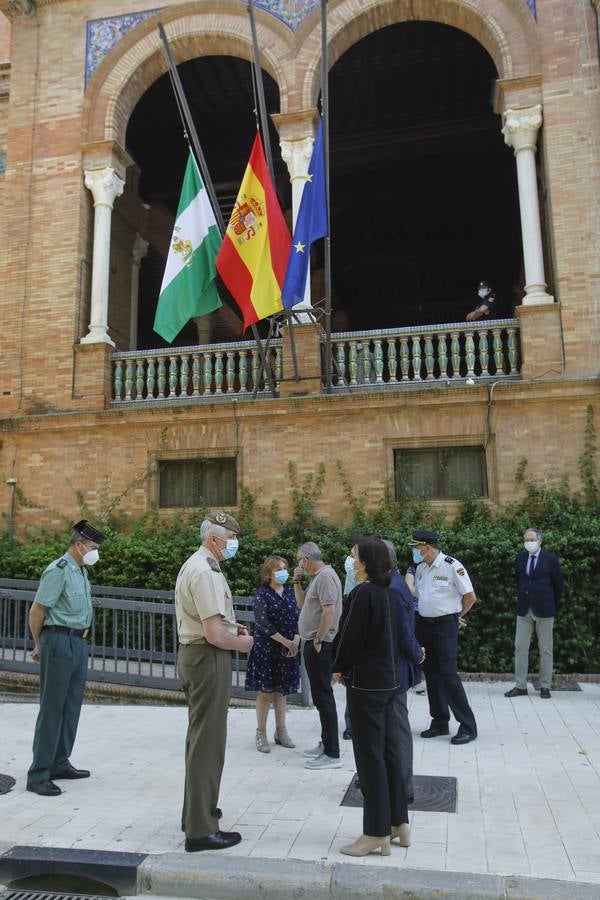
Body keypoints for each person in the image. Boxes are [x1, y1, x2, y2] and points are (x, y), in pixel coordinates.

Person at [333, 537, 424, 857]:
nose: (351, 561)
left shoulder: (364, 593)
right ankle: (399, 823)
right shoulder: (394, 589)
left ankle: (374, 833)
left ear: (367, 562)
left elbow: (349, 639)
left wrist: (338, 666)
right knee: (390, 755)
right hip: (390, 683)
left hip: (367, 686)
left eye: (355, 556)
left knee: (370, 759)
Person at [175, 512, 253, 853]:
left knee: (199, 739)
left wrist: (231, 630)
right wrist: (244, 643)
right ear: (213, 539)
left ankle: (196, 813)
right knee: (208, 743)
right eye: (230, 537)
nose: (234, 543)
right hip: (208, 658)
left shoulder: (198, 564)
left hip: (198, 655)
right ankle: (201, 830)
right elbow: (212, 632)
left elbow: (214, 622)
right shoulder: (204, 571)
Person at [26, 519, 104, 797]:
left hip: (77, 642)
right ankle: (39, 773)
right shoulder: (58, 570)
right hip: (57, 641)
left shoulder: (80, 571)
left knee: (70, 706)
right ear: (79, 545)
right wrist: (39, 644)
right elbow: (37, 610)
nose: (96, 552)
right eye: (93, 547)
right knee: (52, 707)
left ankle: (60, 762)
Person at [410, 529, 478, 745]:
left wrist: (456, 616)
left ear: (427, 547)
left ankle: (468, 726)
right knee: (431, 673)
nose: (414, 551)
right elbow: (423, 596)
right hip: (424, 624)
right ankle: (439, 721)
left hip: (444, 625)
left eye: (416, 547)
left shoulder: (451, 565)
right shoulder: (421, 568)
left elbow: (470, 597)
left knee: (448, 674)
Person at [293, 541, 343, 770]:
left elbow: (329, 609)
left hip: (319, 645)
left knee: (324, 697)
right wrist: (296, 582)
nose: (298, 564)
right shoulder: (318, 577)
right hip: (314, 643)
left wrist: (319, 639)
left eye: (298, 560)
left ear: (305, 559)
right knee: (321, 698)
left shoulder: (325, 576)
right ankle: (326, 743)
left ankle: (332, 753)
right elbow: (304, 605)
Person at [245, 555, 300, 752]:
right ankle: (261, 732)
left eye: (285, 567)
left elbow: (298, 616)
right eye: (278, 568)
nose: (283, 571)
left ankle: (281, 730)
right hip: (267, 649)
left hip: (287, 649)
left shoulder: (291, 593)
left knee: (281, 691)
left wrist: (296, 639)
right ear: (268, 574)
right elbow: (262, 622)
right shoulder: (262, 594)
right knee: (265, 692)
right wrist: (284, 641)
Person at [383, 539, 423, 806]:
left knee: (397, 729)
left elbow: (404, 632)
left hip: (395, 671)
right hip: (390, 670)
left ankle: (404, 787)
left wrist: (417, 654)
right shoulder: (393, 583)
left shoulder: (395, 589)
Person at [505, 528, 564, 700]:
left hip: (545, 610)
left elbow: (558, 585)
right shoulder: (520, 558)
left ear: (540, 541)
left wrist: (552, 604)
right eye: (526, 539)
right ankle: (520, 685)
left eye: (531, 539)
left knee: (546, 649)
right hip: (524, 609)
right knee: (520, 647)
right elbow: (519, 580)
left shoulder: (550, 559)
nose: (528, 542)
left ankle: (545, 686)